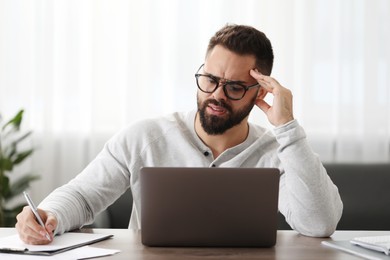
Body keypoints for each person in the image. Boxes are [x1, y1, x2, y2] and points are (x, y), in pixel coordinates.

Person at [16, 24, 343, 244]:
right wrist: (49, 214)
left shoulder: (277, 150)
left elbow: (319, 224)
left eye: (234, 87)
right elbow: (83, 196)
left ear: (260, 92)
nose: (216, 95)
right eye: (210, 79)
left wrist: (287, 128)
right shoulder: (145, 136)